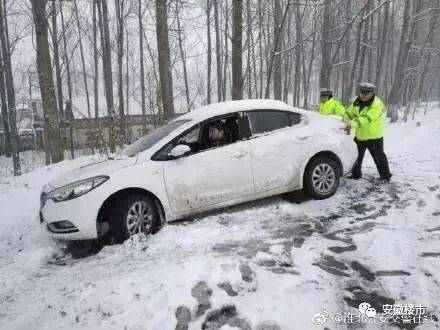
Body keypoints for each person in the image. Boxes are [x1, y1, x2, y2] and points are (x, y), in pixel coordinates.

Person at [346, 82, 392, 182]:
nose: (364, 95)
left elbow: (367, 118)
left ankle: (385, 177)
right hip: (360, 135)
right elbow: (349, 113)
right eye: (362, 92)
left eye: (367, 93)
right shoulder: (356, 101)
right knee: (355, 156)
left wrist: (351, 124)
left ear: (372, 93)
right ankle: (356, 174)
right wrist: (344, 121)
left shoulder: (377, 104)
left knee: (379, 158)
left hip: (374, 137)